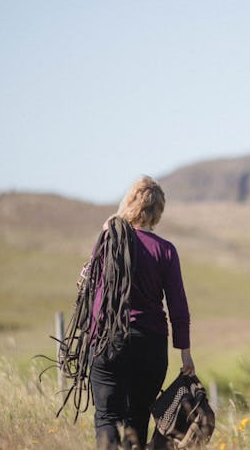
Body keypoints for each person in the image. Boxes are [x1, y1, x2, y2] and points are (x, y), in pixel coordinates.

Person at [88, 176, 195, 449]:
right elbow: (178, 307)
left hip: (108, 340)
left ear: (130, 204)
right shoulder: (166, 250)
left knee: (106, 417)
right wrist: (185, 353)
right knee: (137, 421)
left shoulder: (109, 240)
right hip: (150, 345)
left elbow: (92, 291)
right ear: (158, 211)